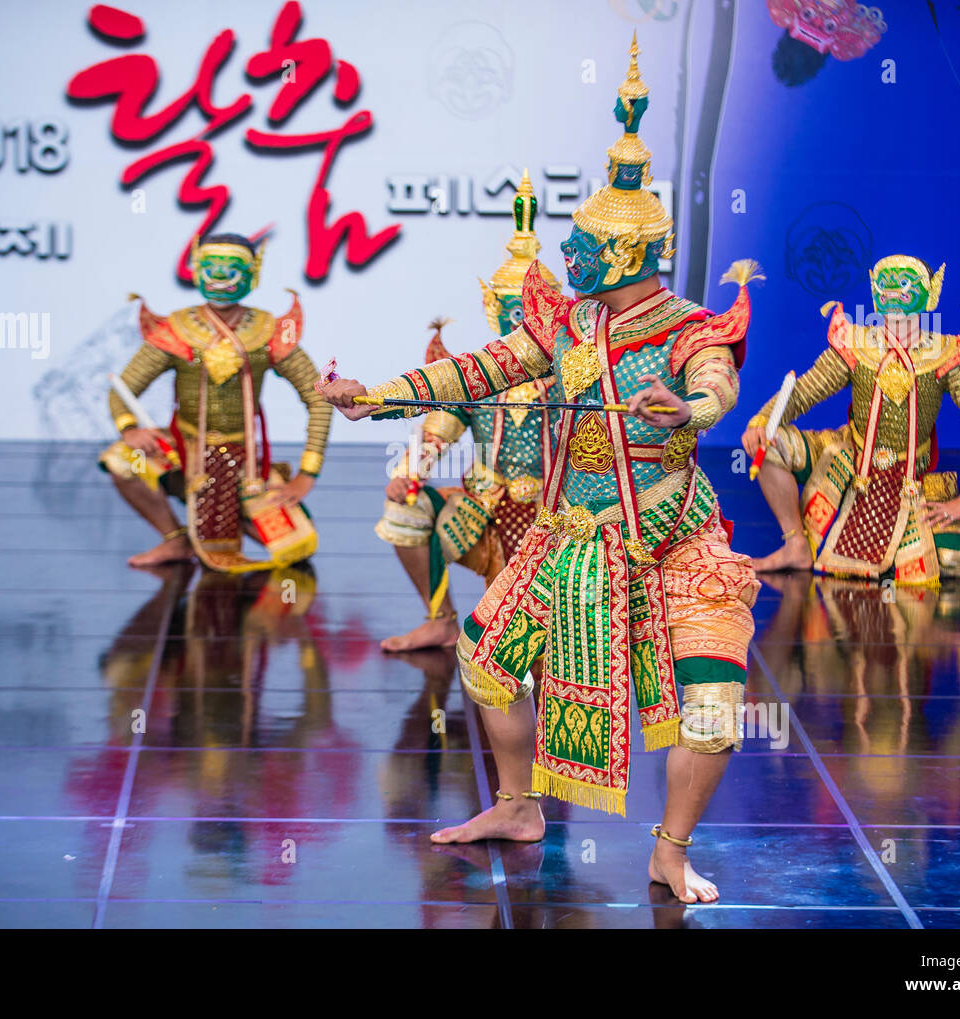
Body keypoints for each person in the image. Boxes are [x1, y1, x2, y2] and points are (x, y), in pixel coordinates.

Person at [322, 38, 761, 903]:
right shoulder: (568, 323)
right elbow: (479, 369)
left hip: (669, 540)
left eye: (586, 245)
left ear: (631, 256)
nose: (570, 254)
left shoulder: (685, 330)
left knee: (712, 713)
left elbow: (717, 383)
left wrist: (694, 411)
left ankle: (669, 849)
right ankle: (519, 806)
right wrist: (381, 395)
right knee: (485, 663)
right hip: (568, 538)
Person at [375, 173, 563, 651]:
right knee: (405, 510)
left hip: (559, 513)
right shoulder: (478, 375)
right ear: (490, 305)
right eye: (511, 310)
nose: (520, 323)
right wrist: (409, 472)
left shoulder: (571, 374)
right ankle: (440, 619)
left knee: (548, 629)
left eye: (530, 312)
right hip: (483, 506)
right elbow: (438, 431)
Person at [743, 254, 960, 585]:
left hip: (910, 478)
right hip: (852, 461)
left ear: (931, 295)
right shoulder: (857, 344)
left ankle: (896, 549)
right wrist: (762, 421)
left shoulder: (947, 354)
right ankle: (796, 545)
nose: (893, 296)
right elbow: (805, 390)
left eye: (904, 287)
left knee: (949, 559)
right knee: (771, 445)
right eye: (886, 287)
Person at [98, 231, 330, 571]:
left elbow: (319, 397)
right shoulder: (177, 329)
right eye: (211, 267)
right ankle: (175, 538)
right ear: (195, 270)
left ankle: (227, 514)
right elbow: (122, 389)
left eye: (231, 269)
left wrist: (307, 474)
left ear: (253, 273)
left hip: (244, 463)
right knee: (122, 460)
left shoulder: (267, 332)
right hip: (183, 451)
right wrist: (130, 428)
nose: (220, 277)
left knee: (297, 547)